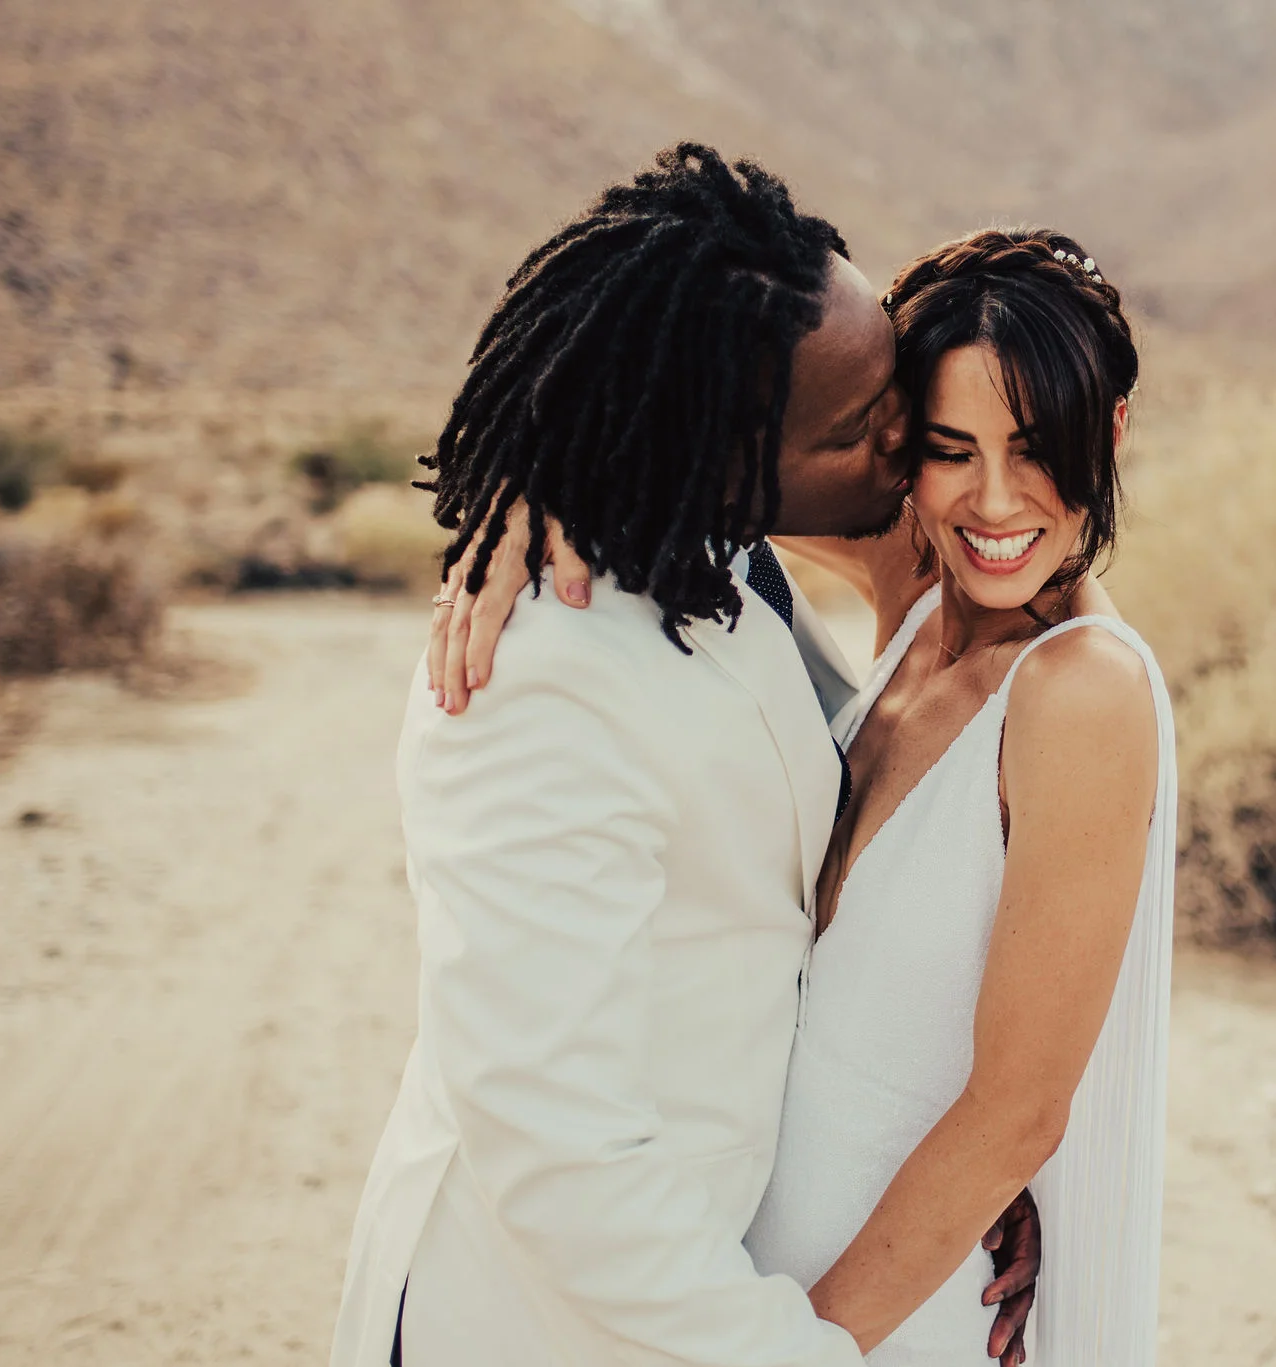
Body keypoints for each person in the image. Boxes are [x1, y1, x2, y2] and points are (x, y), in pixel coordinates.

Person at [331, 144, 1039, 1367]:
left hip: (692, 1281)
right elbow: (562, 1162)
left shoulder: (722, 558)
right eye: (860, 430)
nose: (903, 448)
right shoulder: (530, 684)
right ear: (717, 451)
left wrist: (942, 1165)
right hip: (535, 1324)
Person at [443, 229, 1177, 1366]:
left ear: (1111, 429)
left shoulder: (1081, 692)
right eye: (949, 447)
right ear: (901, 455)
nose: (994, 499)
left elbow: (1016, 1112)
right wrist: (534, 488)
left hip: (881, 1310)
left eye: (1041, 446)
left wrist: (807, 1345)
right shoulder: (927, 580)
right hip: (737, 1278)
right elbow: (689, 451)